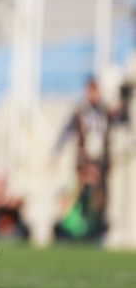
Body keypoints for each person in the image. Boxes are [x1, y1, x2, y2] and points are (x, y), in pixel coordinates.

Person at [52, 77, 125, 238]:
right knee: (78, 195)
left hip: (101, 162)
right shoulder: (80, 112)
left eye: (95, 91)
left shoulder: (106, 111)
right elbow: (66, 131)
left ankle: (98, 229)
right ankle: (73, 229)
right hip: (83, 161)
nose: (92, 95)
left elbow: (121, 120)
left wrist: (122, 103)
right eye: (90, 91)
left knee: (101, 196)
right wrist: (56, 152)